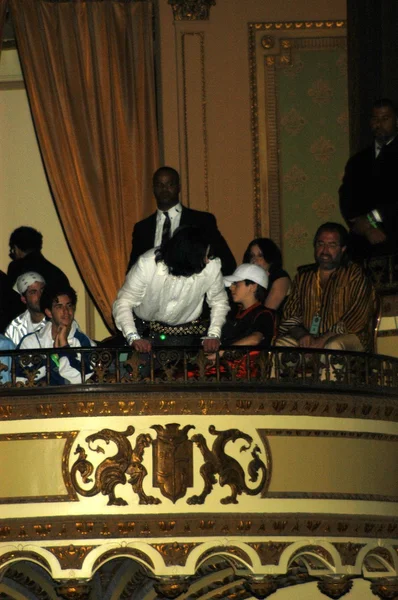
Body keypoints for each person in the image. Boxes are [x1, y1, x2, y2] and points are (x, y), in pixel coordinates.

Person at [113, 226, 230, 353]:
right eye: (204, 256)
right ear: (189, 255)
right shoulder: (148, 264)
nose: (208, 261)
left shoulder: (212, 267)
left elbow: (219, 302)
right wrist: (133, 336)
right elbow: (124, 301)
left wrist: (214, 334)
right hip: (143, 331)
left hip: (185, 335)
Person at [276, 222, 376, 352]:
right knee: (280, 345)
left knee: (332, 346)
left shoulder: (355, 274)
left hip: (348, 337)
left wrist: (323, 339)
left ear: (343, 249)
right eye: (320, 244)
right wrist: (302, 335)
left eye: (332, 245)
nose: (324, 250)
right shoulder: (303, 277)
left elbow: (357, 316)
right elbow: (290, 315)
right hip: (310, 336)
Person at [126, 166, 236, 275]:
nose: (165, 189)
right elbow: (133, 269)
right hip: (153, 290)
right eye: (160, 185)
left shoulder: (202, 221)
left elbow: (226, 261)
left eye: (170, 184)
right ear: (153, 188)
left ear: (178, 187)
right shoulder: (142, 228)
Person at [339, 98, 398, 259]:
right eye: (375, 119)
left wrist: (372, 218)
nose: (379, 124)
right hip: (363, 245)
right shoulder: (358, 161)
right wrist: (365, 228)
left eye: (385, 118)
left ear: (396, 120)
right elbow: (346, 198)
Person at [18, 285, 95, 385]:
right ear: (49, 312)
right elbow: (20, 380)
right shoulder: (30, 342)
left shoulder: (85, 342)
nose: (66, 311)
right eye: (59, 306)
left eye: (69, 305)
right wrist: (52, 360)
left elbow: (83, 379)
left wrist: (64, 348)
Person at [221, 264, 275, 348]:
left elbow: (255, 339)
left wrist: (223, 352)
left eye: (236, 283)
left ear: (252, 287)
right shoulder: (232, 312)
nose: (231, 288)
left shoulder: (264, 314)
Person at [243, 238, 291, 311]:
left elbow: (268, 311)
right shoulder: (250, 280)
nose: (255, 260)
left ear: (270, 258)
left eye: (260, 255)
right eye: (252, 256)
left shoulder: (280, 277)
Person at [4, 272, 46, 345]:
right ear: (24, 299)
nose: (40, 296)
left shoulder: (57, 320)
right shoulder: (15, 327)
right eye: (33, 292)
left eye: (42, 290)